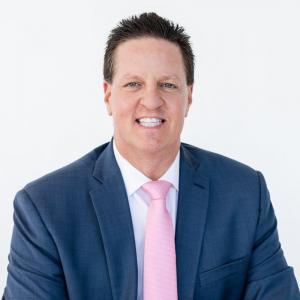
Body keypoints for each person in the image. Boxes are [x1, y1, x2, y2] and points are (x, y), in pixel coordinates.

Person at [2, 12, 300, 300]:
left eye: (168, 85)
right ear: (108, 95)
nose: (152, 101)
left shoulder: (245, 193)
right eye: (134, 84)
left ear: (189, 97)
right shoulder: (45, 208)